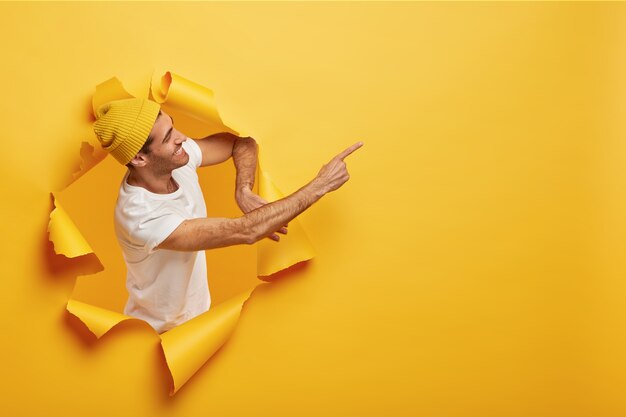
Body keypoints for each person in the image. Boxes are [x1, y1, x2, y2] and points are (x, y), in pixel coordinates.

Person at [93, 97, 362, 333]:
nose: (182, 138)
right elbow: (245, 231)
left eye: (173, 127)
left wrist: (243, 189)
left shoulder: (178, 159)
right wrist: (321, 185)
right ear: (140, 159)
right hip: (156, 337)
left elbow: (242, 143)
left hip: (198, 324)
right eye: (168, 138)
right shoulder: (141, 216)